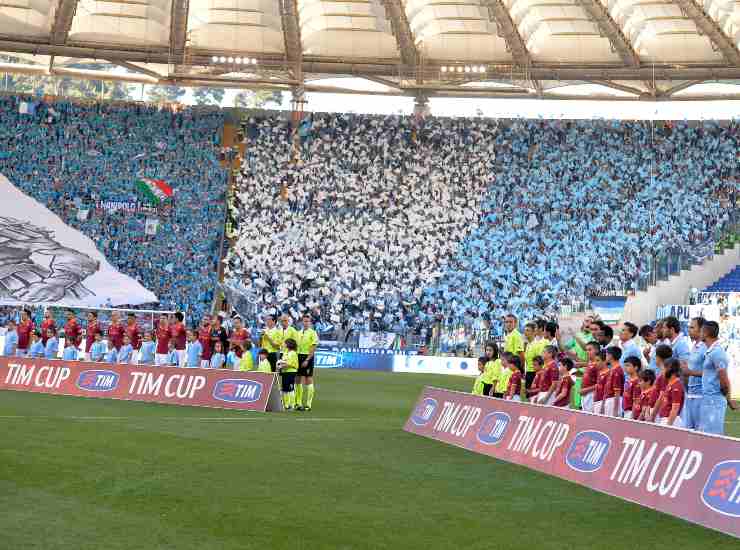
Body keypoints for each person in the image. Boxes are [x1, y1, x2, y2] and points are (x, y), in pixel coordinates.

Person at [699, 320, 734, 435]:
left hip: (714, 400)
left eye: (701, 331)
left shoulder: (717, 353)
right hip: (708, 399)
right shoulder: (711, 351)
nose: (700, 334)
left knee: (713, 434)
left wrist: (723, 398)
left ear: (706, 333)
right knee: (706, 433)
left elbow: (724, 379)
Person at [682, 317, 707, 430]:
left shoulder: (705, 348)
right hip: (690, 394)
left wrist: (690, 372)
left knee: (700, 432)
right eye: (689, 327)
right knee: (689, 431)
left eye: (692, 327)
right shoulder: (694, 347)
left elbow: (712, 373)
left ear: (702, 329)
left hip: (701, 395)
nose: (689, 330)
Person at [296, 313, 319, 411]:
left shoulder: (313, 333)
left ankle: (308, 404)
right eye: (304, 321)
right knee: (297, 379)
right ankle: (298, 402)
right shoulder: (298, 332)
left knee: (308, 379)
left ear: (310, 322)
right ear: (302, 322)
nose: (306, 323)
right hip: (298, 356)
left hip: (307, 356)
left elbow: (313, 348)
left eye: (307, 321)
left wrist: (307, 359)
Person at [656, 358, 685, 427]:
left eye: (663, 370)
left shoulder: (676, 386)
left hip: (671, 420)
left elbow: (675, 408)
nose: (661, 372)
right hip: (664, 419)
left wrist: (668, 426)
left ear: (669, 369)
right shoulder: (670, 384)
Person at [648, 344, 674, 422]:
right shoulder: (661, 373)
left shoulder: (664, 375)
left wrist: (653, 415)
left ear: (658, 357)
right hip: (655, 409)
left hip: (658, 411)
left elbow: (661, 396)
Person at [579, 341, 601, 412]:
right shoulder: (590, 363)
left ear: (597, 350)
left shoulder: (598, 365)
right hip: (584, 394)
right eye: (586, 350)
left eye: (590, 350)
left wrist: (586, 390)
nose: (587, 352)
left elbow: (600, 383)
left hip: (591, 395)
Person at [278, 338, 299, 410]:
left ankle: (292, 405)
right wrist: (280, 363)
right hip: (285, 372)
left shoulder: (293, 353)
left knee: (290, 388)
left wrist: (281, 365)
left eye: (285, 343)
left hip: (291, 372)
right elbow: (284, 361)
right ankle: (286, 405)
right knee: (285, 389)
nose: (283, 344)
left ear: (288, 345)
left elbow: (290, 363)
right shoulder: (285, 352)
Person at [603, 346, 624, 417]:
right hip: (609, 400)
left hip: (613, 401)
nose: (605, 356)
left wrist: (615, 410)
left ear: (610, 356)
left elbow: (617, 392)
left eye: (606, 354)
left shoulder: (617, 371)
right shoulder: (612, 369)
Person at [523, 322, 543, 389]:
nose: (525, 332)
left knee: (533, 396)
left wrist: (537, 376)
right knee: (528, 396)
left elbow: (540, 361)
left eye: (528, 330)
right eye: (525, 330)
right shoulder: (528, 344)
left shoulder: (537, 345)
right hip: (528, 373)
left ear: (534, 332)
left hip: (534, 374)